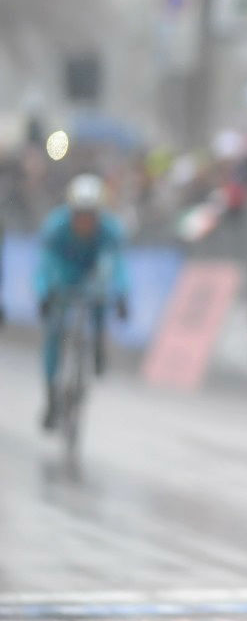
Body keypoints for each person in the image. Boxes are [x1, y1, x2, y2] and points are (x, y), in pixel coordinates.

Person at [35, 174, 130, 429]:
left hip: (91, 277)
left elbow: (117, 265)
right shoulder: (56, 227)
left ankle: (98, 341)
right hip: (63, 276)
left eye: (91, 215)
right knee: (54, 331)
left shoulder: (110, 230)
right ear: (71, 211)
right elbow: (45, 264)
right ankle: (51, 394)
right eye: (80, 214)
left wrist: (121, 294)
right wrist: (44, 292)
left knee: (99, 296)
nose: (86, 220)